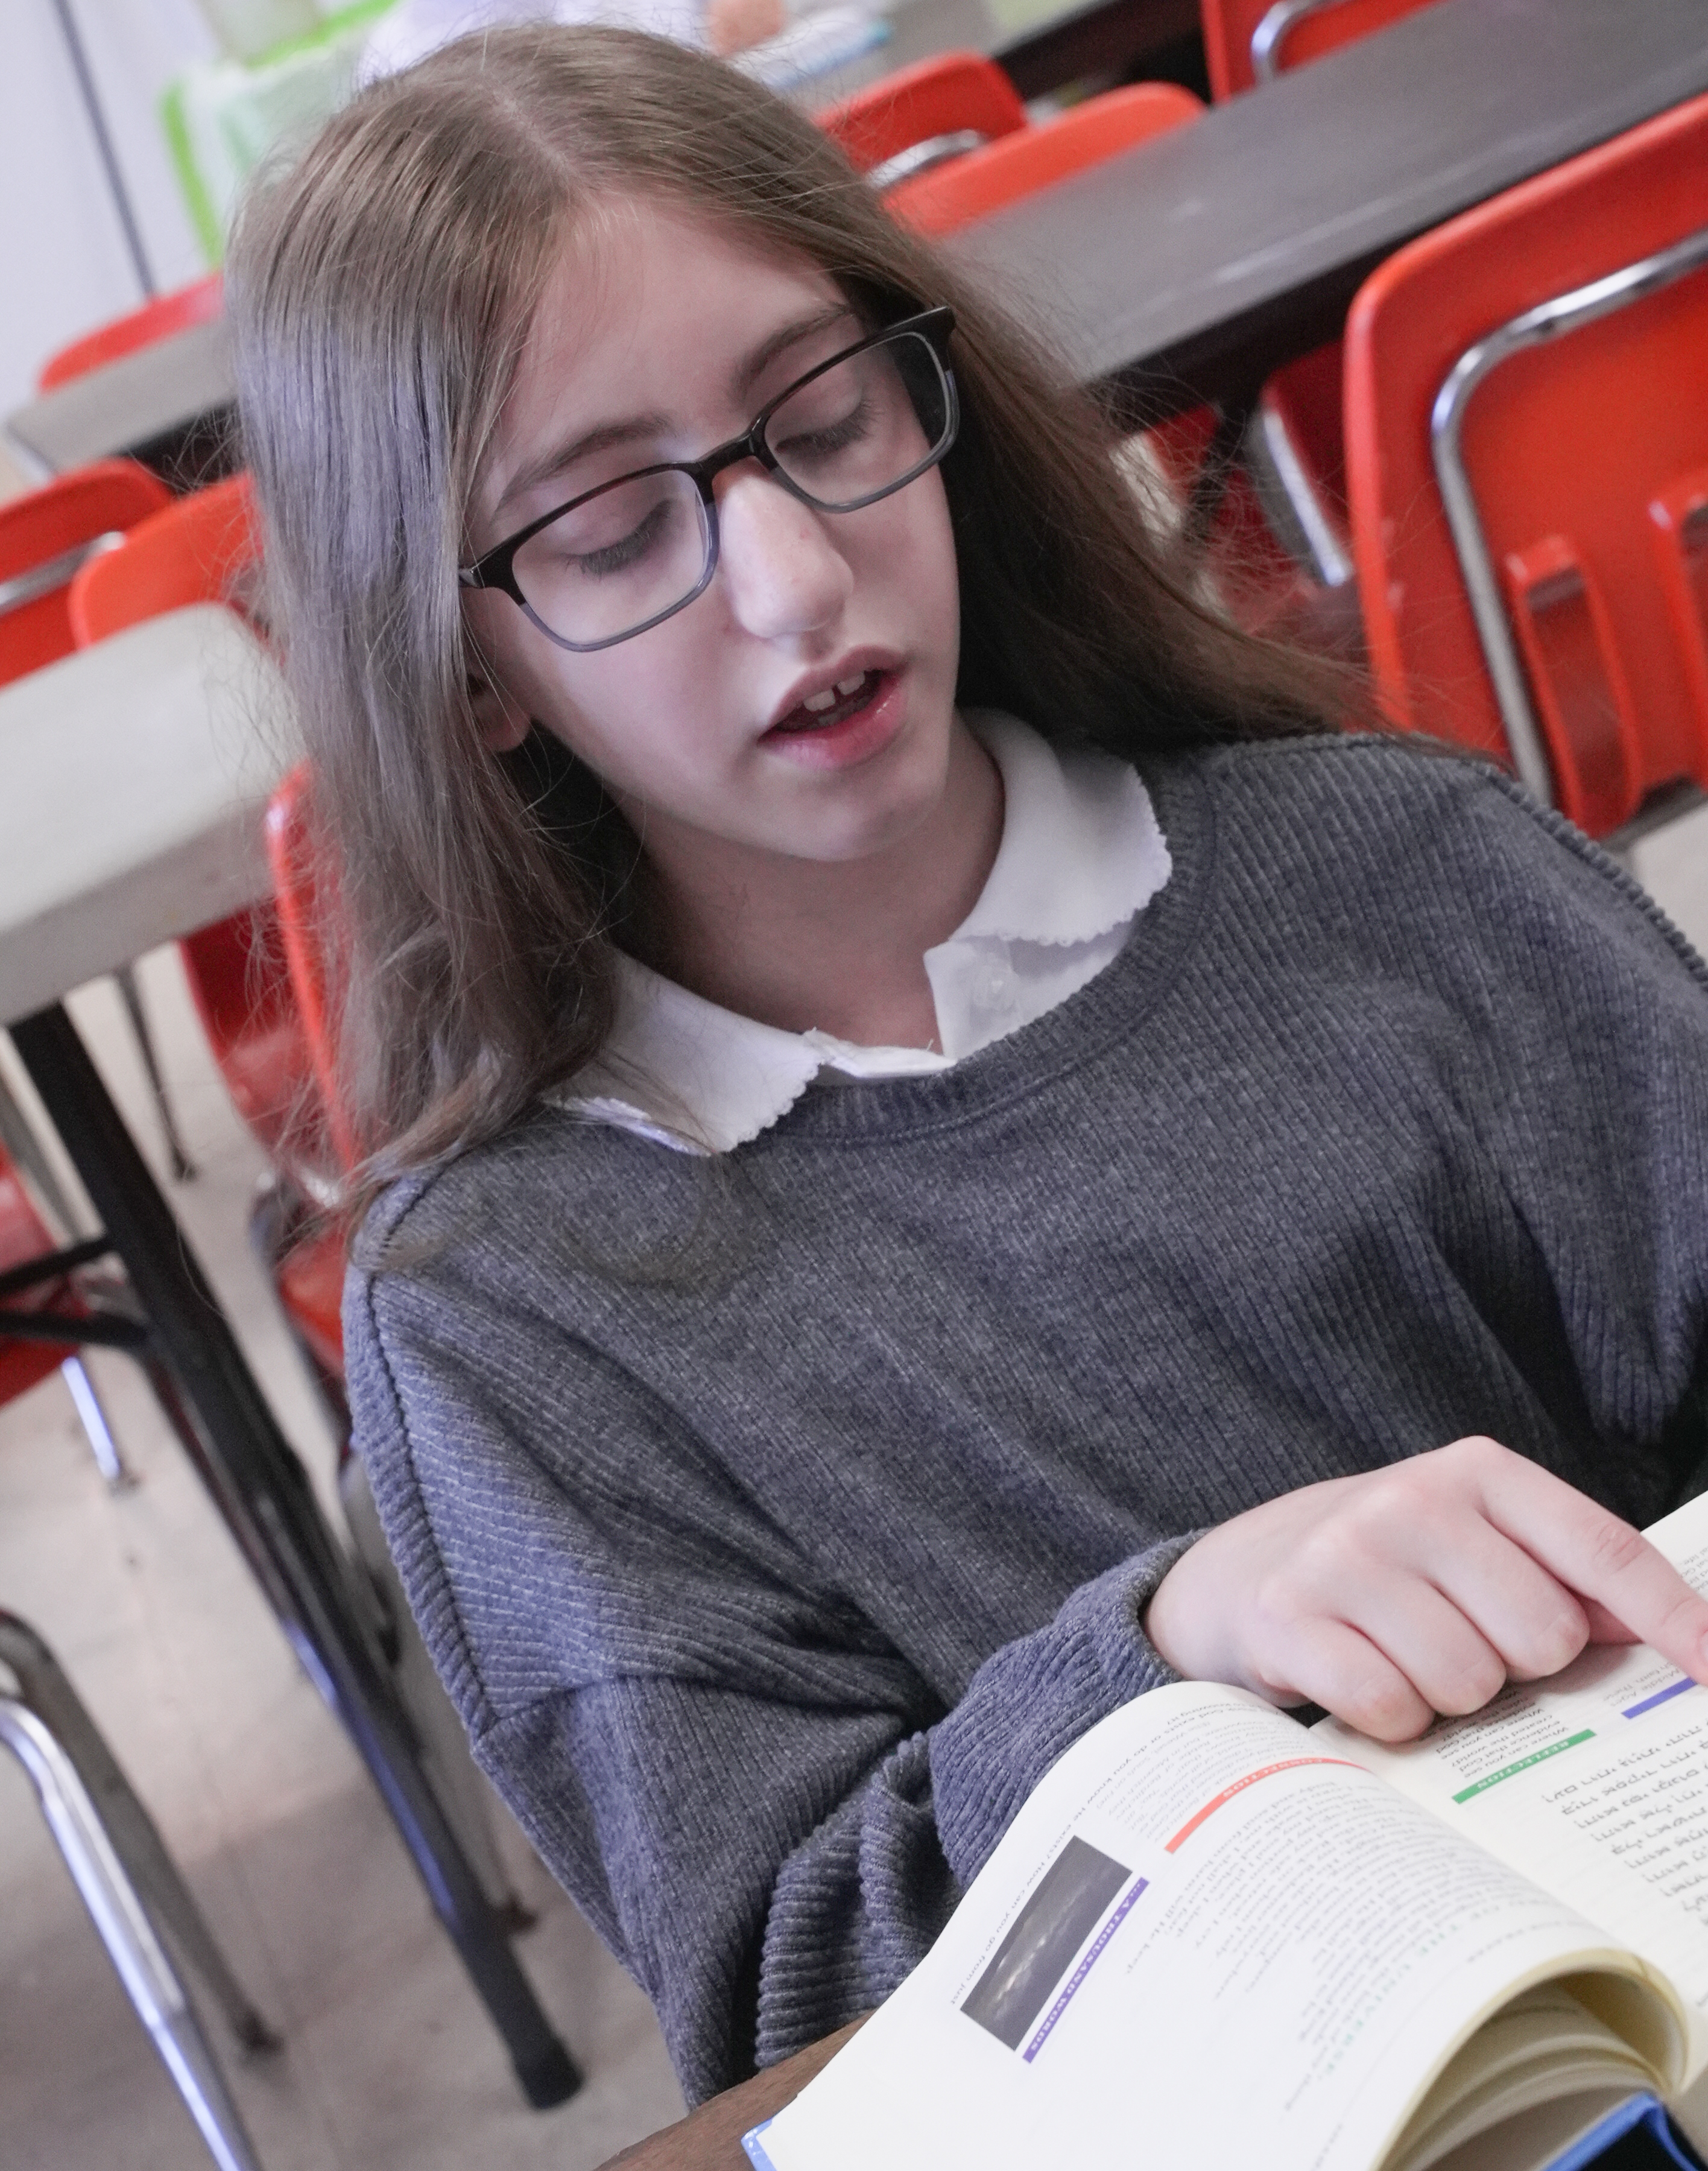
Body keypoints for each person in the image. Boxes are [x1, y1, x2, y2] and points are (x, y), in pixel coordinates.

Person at [226, 26, 1708, 2103]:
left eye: (825, 416)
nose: (796, 574)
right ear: (466, 674)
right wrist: (1171, 1640)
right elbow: (793, 1993)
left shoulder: (1386, 865)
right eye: (612, 533)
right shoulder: (506, 1317)